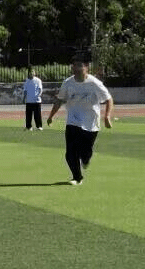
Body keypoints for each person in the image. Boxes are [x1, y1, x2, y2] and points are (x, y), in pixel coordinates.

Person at [46, 55, 113, 185]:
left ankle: (86, 159)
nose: (76, 68)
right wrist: (51, 116)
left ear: (86, 67)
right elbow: (60, 100)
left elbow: (109, 99)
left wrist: (107, 116)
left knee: (86, 152)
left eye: (79, 66)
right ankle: (77, 177)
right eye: (74, 66)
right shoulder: (68, 83)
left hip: (91, 122)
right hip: (73, 120)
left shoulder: (94, 83)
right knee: (70, 152)